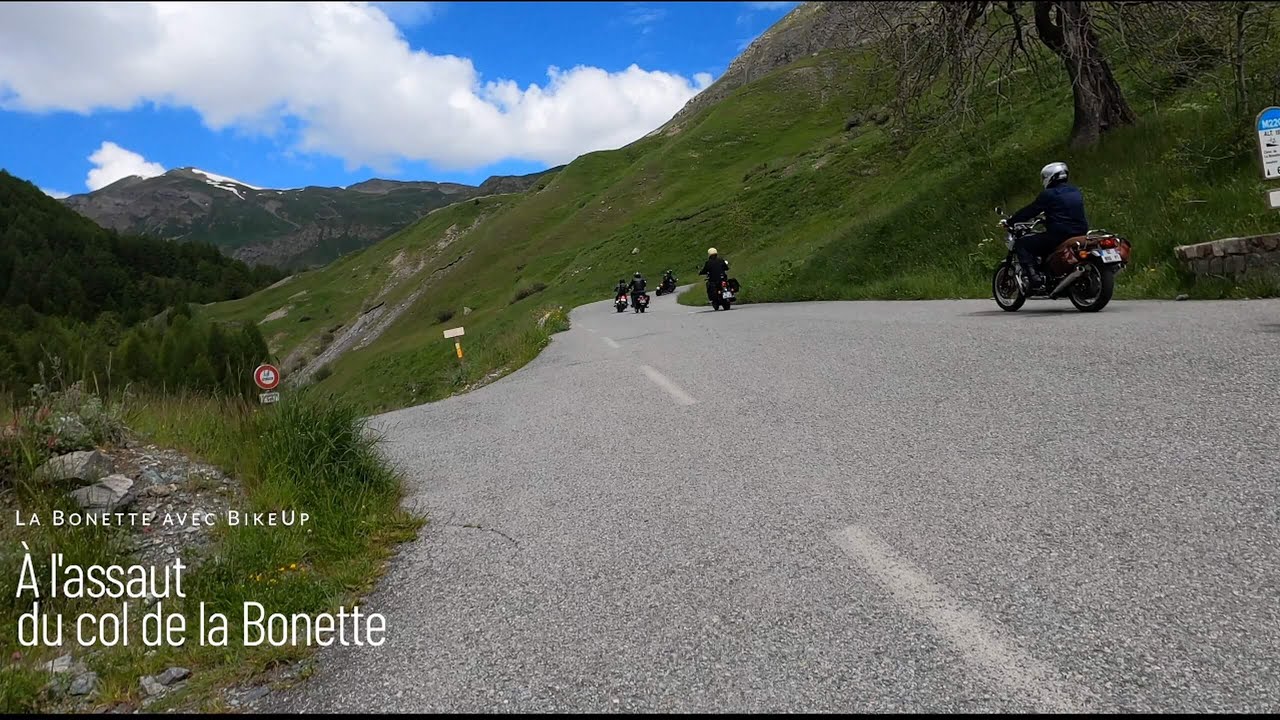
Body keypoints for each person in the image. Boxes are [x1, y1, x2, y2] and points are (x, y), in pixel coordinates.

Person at [1006, 161, 1089, 289]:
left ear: (1050, 177)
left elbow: (1031, 210)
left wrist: (1011, 221)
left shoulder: (1049, 194)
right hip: (1080, 232)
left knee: (1022, 244)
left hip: (1059, 235)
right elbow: (1066, 211)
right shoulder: (1075, 191)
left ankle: (1034, 279)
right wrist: (1048, 219)